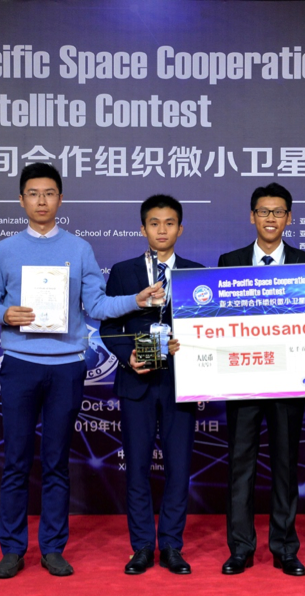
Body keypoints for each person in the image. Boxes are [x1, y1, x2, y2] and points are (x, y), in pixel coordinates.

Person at [0, 163, 164, 579]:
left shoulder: (79, 249)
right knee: (16, 460)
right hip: (20, 365)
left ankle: (52, 548)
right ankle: (12, 549)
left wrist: (136, 299)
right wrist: (4, 313)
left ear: (60, 199)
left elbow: (96, 306)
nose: (41, 201)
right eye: (33, 193)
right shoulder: (5, 249)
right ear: (21, 200)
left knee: (56, 461)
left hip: (66, 367)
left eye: (49, 193)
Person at [216, 182, 305, 577]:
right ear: (252, 216)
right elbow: (217, 320)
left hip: (290, 379)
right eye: (264, 211)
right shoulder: (230, 261)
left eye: (278, 212)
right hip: (242, 377)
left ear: (289, 218)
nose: (271, 218)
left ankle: (285, 548)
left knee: (285, 465)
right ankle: (240, 548)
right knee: (240, 465)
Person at [100, 195, 204, 576]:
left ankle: (172, 545)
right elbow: (108, 327)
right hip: (136, 381)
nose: (162, 230)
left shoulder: (195, 273)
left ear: (180, 228)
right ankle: (142, 546)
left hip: (181, 381)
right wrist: (127, 355)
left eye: (169, 223)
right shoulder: (123, 272)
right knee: (137, 467)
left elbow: (209, 328)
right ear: (143, 228)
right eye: (155, 223)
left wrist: (186, 344)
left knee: (178, 467)